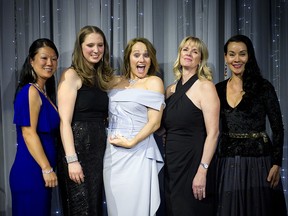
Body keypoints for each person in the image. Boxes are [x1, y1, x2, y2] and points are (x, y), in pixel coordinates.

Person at [215, 34, 287, 216]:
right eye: (232, 54)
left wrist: (277, 163)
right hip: (228, 162)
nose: (236, 59)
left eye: (242, 54)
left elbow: (278, 127)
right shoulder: (217, 89)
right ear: (225, 57)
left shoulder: (264, 87)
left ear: (249, 56)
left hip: (260, 161)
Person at [103, 37, 165, 216]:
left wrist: (131, 142)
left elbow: (155, 122)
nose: (141, 59)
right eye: (136, 55)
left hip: (138, 153)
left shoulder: (153, 82)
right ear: (128, 58)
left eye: (146, 55)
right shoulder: (114, 82)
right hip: (112, 155)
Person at [57, 25, 114, 216]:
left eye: (100, 45)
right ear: (80, 47)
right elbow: (64, 122)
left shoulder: (102, 77)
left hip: (98, 152)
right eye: (90, 45)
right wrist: (72, 160)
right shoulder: (71, 75)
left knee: (94, 206)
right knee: (80, 208)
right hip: (77, 150)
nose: (96, 50)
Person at [162, 36, 220, 216]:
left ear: (200, 60)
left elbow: (213, 133)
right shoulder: (170, 89)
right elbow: (164, 128)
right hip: (172, 163)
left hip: (194, 162)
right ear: (179, 54)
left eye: (195, 51)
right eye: (185, 49)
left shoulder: (206, 87)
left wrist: (202, 170)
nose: (189, 54)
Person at [9, 38, 59, 216]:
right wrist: (47, 169)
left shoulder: (43, 92)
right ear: (32, 60)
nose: (49, 63)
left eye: (54, 59)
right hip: (31, 172)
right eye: (44, 58)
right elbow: (28, 134)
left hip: (39, 173)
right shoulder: (30, 91)